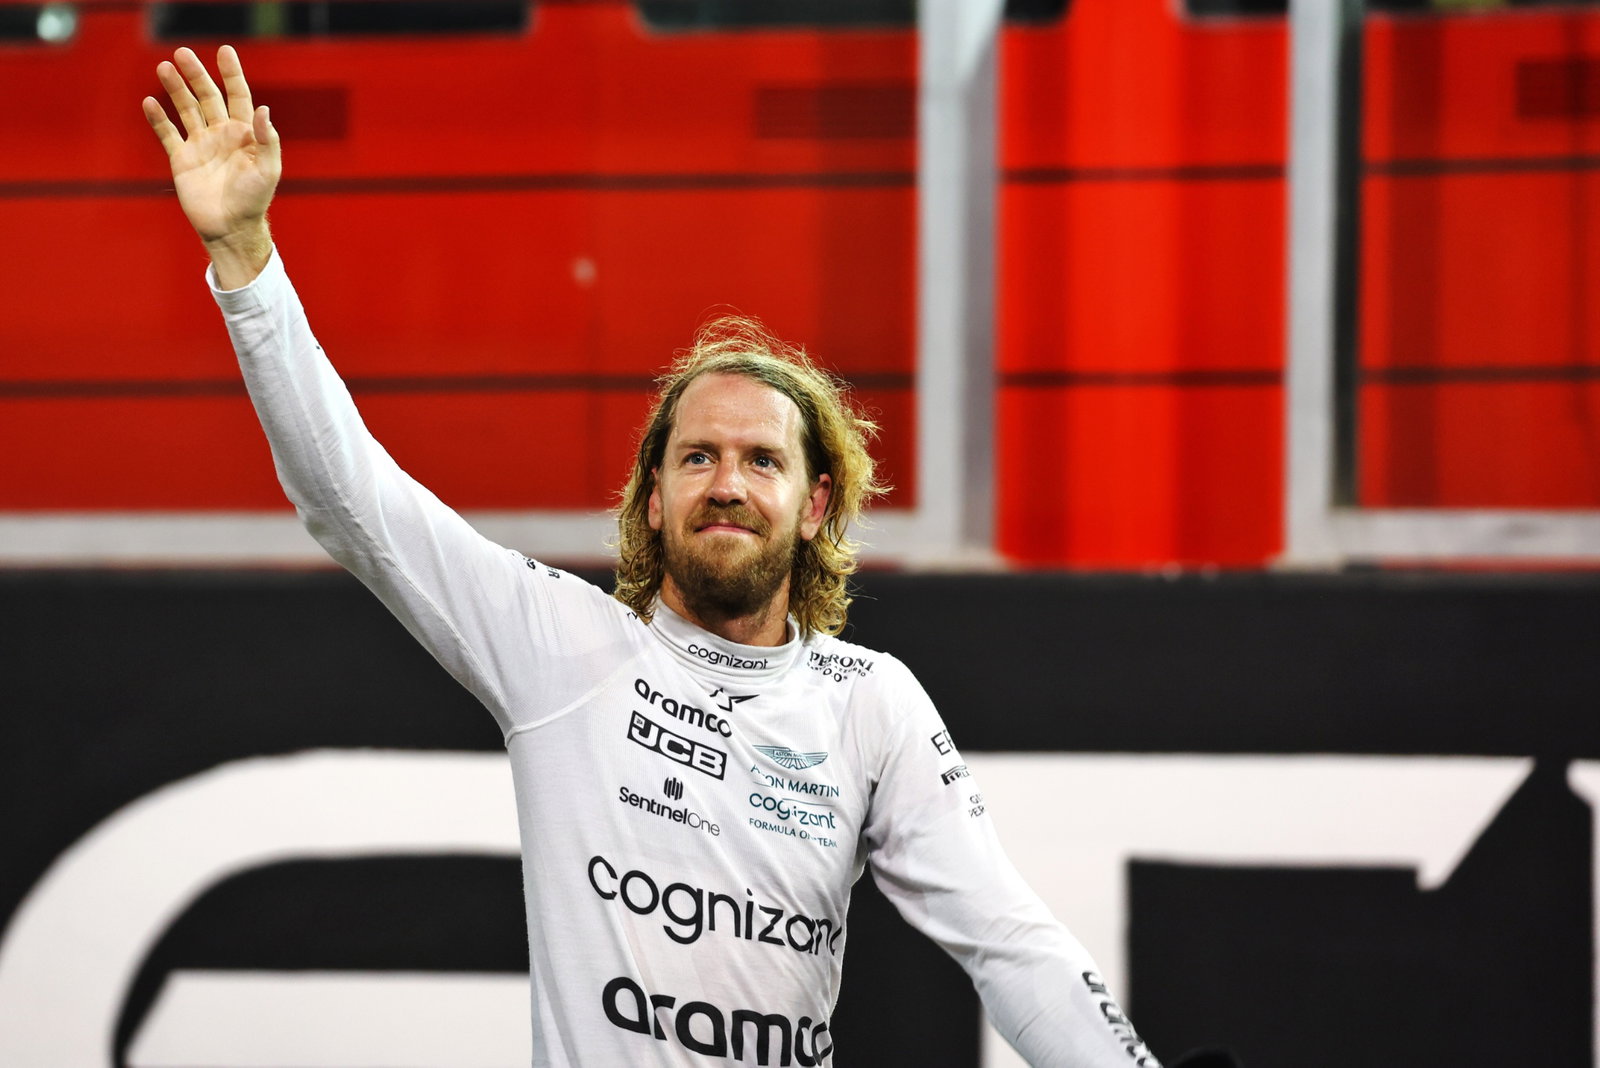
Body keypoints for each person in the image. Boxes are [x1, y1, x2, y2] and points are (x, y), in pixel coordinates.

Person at [143, 45, 1162, 1068]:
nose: (726, 482)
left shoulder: (870, 706)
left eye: (761, 460)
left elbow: (1009, 943)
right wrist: (245, 256)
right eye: (697, 457)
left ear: (815, 505)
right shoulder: (561, 647)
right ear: (653, 498)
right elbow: (349, 498)